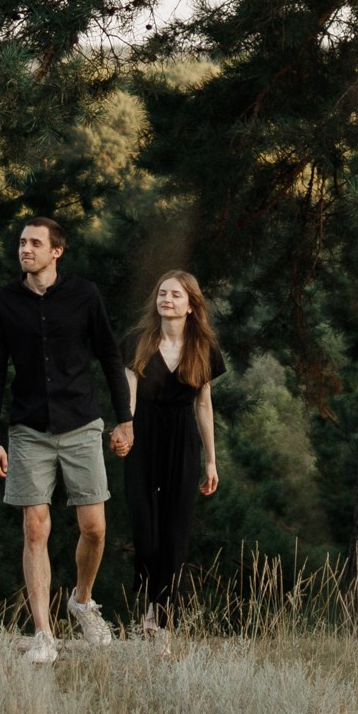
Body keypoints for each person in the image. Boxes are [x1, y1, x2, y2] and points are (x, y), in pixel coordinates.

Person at [0, 216, 134, 666]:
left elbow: (109, 355)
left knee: (95, 528)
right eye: (21, 242)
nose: (25, 249)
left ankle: (82, 601)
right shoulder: (3, 303)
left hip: (83, 423)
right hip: (29, 429)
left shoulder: (84, 295)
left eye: (34, 243)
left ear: (56, 251)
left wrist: (124, 419)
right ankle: (43, 633)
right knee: (35, 528)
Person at [122, 271, 223, 641]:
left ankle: (163, 621)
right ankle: (151, 599)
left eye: (176, 295)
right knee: (147, 533)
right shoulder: (137, 341)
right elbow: (128, 395)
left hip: (184, 441)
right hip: (144, 436)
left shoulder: (204, 348)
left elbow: (204, 406)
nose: (167, 299)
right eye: (162, 293)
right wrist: (125, 430)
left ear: (191, 306)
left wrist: (211, 460)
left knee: (175, 533)